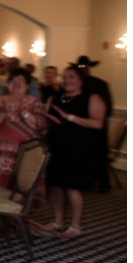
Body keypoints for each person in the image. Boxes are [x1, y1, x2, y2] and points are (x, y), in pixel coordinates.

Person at [39, 66, 106, 238]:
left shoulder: (91, 97)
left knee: (72, 186)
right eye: (65, 77)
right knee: (56, 185)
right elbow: (48, 123)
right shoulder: (56, 98)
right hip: (57, 147)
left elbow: (97, 123)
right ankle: (58, 220)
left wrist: (70, 117)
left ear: (81, 80)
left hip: (79, 148)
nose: (67, 80)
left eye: (72, 77)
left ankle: (76, 225)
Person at [0, 68, 44, 188]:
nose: (16, 83)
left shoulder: (35, 102)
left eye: (20, 81)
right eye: (13, 80)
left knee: (22, 184)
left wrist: (24, 112)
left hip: (25, 149)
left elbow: (39, 125)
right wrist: (4, 111)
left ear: (27, 85)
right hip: (0, 149)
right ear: (8, 84)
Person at [71, 55, 113, 192]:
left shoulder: (99, 84)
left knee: (98, 154)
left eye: (85, 67)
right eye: (81, 67)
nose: (83, 70)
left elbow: (108, 108)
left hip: (94, 128)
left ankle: (100, 184)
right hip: (83, 128)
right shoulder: (79, 85)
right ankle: (90, 182)